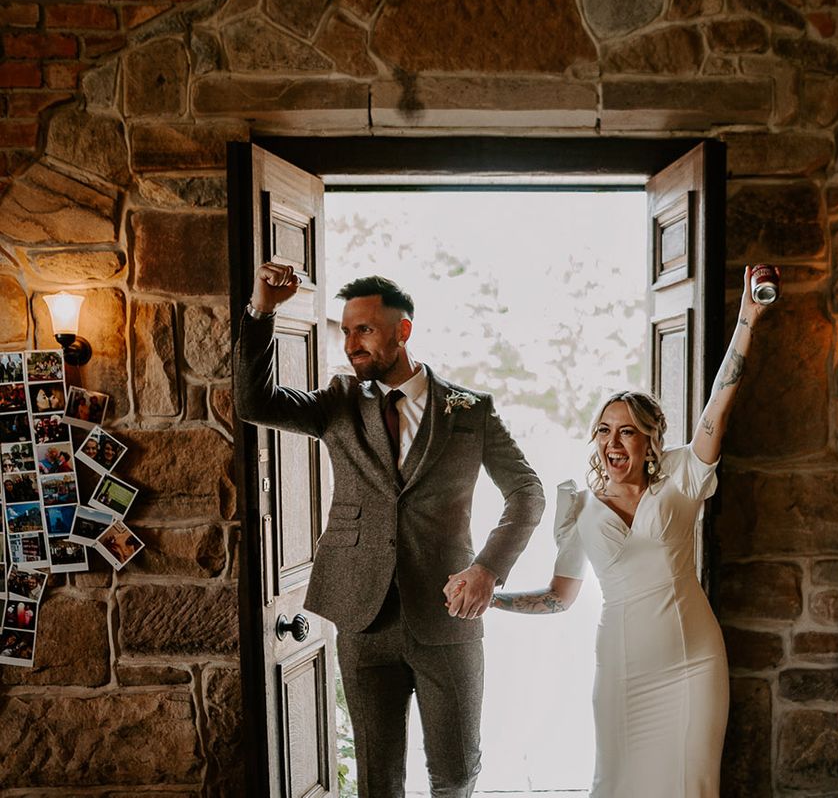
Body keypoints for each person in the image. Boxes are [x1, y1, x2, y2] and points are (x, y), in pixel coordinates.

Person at [234, 263, 545, 798]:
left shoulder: (470, 409)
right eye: (347, 329)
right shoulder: (337, 402)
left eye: (366, 330)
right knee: (380, 780)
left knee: (455, 772)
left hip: (448, 615)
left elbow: (527, 493)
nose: (352, 343)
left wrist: (488, 569)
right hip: (362, 616)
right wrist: (262, 310)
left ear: (403, 331)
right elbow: (252, 402)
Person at [490, 265, 774, 798]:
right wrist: (492, 598)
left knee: (694, 787)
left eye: (627, 431)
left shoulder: (683, 476)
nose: (612, 442)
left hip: (693, 662)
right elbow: (558, 600)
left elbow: (719, 401)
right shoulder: (578, 509)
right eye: (603, 430)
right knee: (618, 786)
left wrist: (746, 321)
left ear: (650, 441)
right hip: (622, 670)